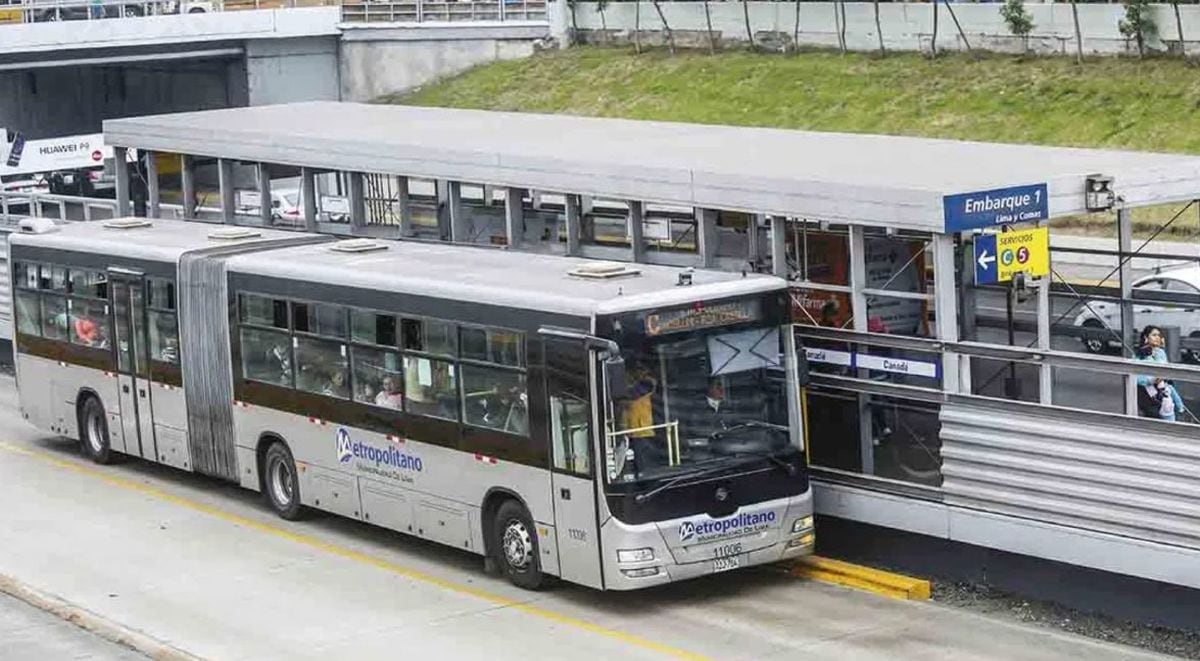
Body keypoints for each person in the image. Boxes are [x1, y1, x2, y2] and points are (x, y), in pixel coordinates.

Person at [1135, 325, 1186, 422]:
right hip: (1148, 393)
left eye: (1159, 335)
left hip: (1162, 389)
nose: (1157, 337)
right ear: (1146, 338)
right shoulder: (1139, 355)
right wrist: (1152, 380)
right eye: (1154, 335)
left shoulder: (1161, 353)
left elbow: (1165, 369)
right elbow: (1137, 378)